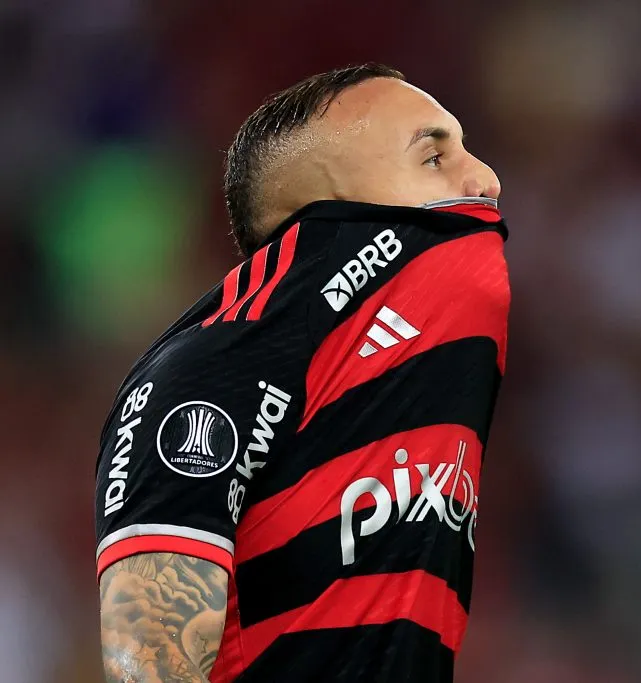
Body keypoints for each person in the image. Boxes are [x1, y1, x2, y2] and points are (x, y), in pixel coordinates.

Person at [94, 63, 509, 683]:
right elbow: (150, 662)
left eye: (466, 148)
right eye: (432, 157)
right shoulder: (211, 371)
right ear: (337, 211)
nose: (486, 180)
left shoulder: (419, 369)